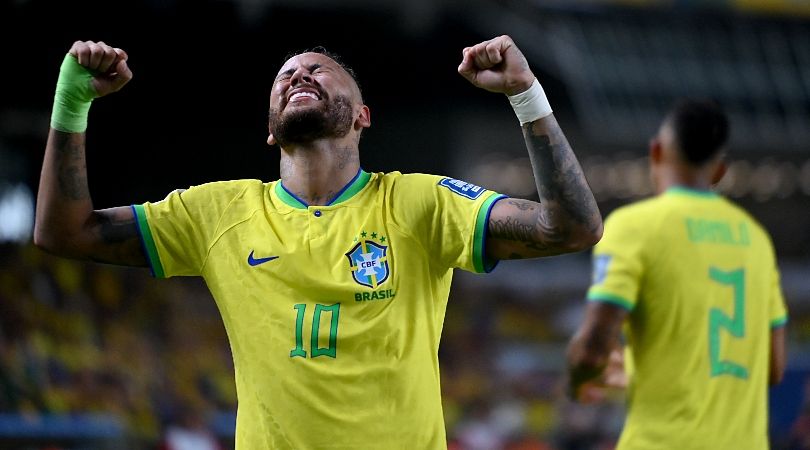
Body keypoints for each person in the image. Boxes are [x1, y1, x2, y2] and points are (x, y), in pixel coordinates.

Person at [35, 35, 602, 449]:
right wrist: (72, 103)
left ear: (362, 116)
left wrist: (526, 95)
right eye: (286, 75)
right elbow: (64, 233)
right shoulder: (217, 213)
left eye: (319, 70)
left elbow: (571, 228)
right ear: (270, 126)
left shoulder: (420, 203)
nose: (300, 75)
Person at [565, 99, 788, 449]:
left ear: (656, 152)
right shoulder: (757, 239)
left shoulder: (634, 227)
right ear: (720, 171)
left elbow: (592, 353)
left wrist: (578, 378)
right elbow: (773, 368)